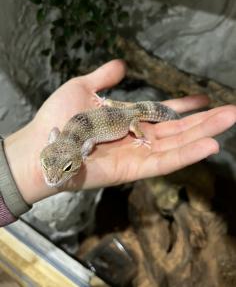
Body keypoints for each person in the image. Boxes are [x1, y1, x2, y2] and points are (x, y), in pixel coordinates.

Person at [0, 60, 235, 226]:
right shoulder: (63, 143)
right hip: (115, 111)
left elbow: (83, 141)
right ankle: (125, 106)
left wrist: (140, 137)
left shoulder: (76, 146)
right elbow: (59, 137)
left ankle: (153, 125)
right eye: (55, 166)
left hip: (129, 117)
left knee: (146, 119)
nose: (51, 178)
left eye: (66, 169)